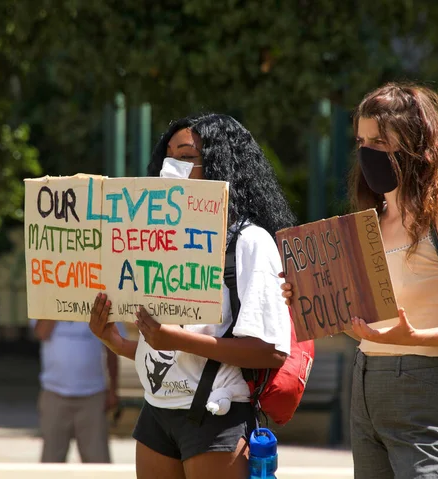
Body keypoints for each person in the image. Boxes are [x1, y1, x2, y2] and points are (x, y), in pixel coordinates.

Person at [281, 82, 438, 479]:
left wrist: (414, 337)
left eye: (380, 142)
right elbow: (370, 329)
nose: (367, 152)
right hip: (366, 382)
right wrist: (309, 298)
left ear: (416, 144)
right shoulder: (372, 222)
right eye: (362, 141)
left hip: (428, 384)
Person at [89, 113, 295, 479]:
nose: (171, 167)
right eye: (167, 155)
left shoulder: (249, 243)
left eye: (185, 157)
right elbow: (167, 349)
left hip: (216, 417)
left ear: (219, 165)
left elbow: (270, 351)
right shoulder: (158, 244)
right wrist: (117, 341)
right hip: (156, 414)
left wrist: (173, 338)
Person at [31, 319, 124, 463]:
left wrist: (113, 389)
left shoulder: (100, 300)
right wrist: (56, 300)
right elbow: (42, 333)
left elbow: (113, 348)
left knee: (98, 461)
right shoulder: (46, 299)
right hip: (54, 393)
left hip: (92, 395)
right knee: (51, 461)